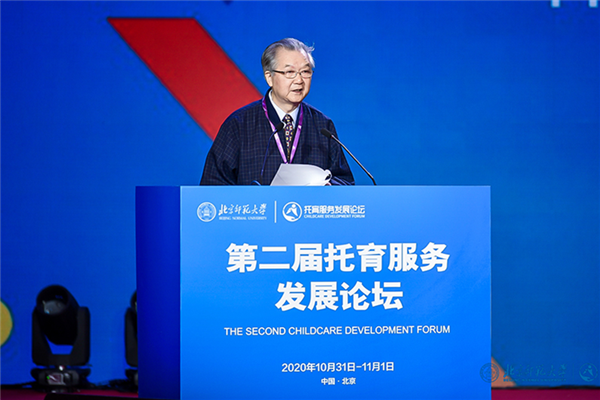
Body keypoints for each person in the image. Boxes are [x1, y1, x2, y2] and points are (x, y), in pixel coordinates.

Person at [200, 38, 354, 186]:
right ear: (269, 77)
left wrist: (328, 186)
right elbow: (213, 184)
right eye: (290, 72)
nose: (299, 80)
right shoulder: (239, 125)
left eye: (305, 72)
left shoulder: (323, 126)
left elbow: (345, 181)